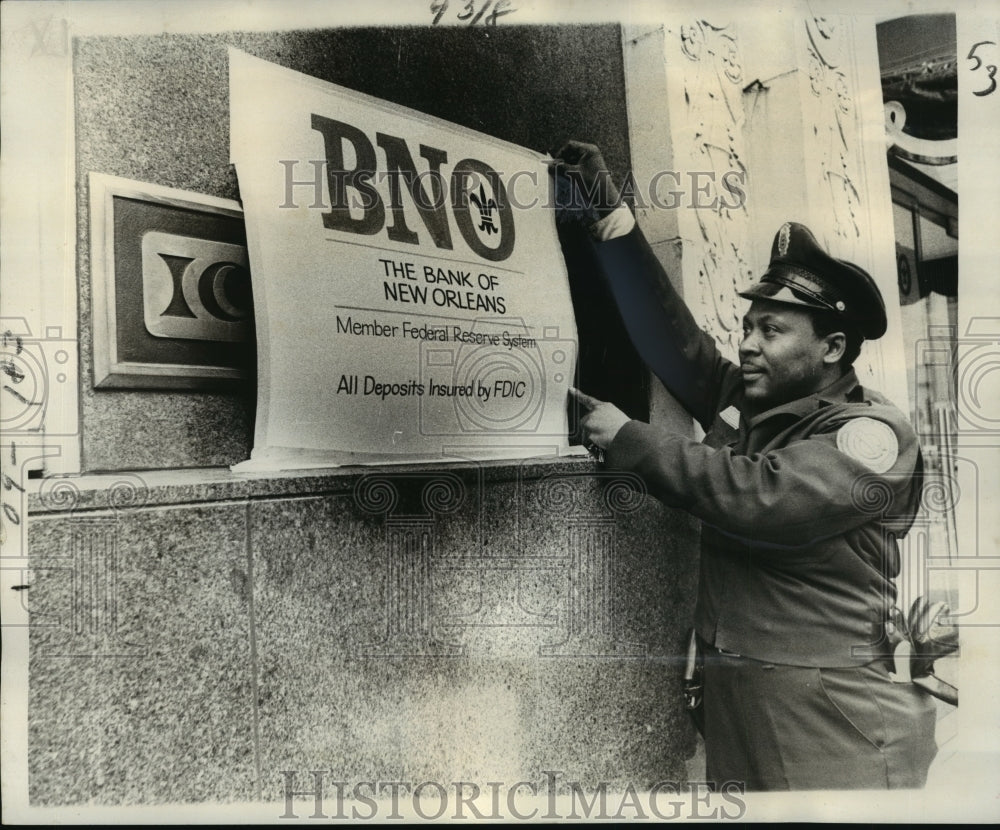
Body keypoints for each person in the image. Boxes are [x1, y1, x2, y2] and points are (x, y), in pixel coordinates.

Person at [552, 140, 939, 790]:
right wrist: (611, 220)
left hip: (826, 709)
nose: (747, 343)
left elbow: (762, 498)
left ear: (832, 348)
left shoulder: (872, 435)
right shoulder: (749, 400)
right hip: (735, 697)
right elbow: (675, 343)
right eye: (748, 325)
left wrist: (628, 438)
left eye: (771, 331)